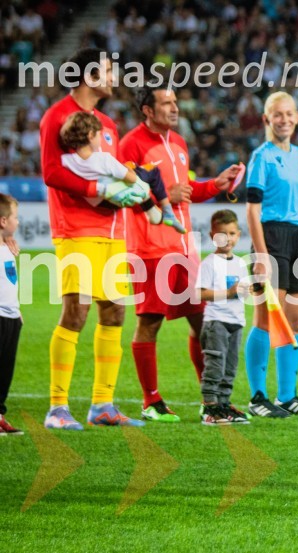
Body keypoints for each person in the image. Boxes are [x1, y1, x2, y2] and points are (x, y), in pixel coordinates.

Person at [120, 84, 241, 423]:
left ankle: (211, 400)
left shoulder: (178, 142)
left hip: (184, 249)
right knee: (149, 323)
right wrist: (163, 197)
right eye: (166, 103)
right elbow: (121, 192)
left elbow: (185, 193)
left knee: (204, 322)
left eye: (175, 102)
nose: (175, 108)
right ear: (148, 110)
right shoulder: (131, 144)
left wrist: (214, 185)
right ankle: (151, 400)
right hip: (150, 248)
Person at [40, 47, 145, 430]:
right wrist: (99, 189)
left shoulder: (108, 124)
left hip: (113, 231)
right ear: (88, 77)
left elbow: (112, 173)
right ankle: (57, 408)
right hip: (76, 229)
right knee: (76, 311)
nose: (114, 77)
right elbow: (52, 172)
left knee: (115, 311)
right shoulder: (56, 117)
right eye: (108, 71)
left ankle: (103, 404)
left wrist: (127, 191)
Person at [245, 91, 298, 418]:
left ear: (297, 118)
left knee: (296, 320)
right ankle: (257, 397)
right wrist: (262, 255)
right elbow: (252, 210)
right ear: (267, 119)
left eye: (290, 114)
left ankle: (288, 396)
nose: (285, 120)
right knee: (267, 319)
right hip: (272, 237)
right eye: (278, 114)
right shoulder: (261, 157)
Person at [58, 111, 186, 232]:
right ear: (91, 135)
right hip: (117, 196)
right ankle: (167, 212)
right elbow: (131, 178)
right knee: (151, 172)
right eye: (99, 135)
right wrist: (129, 168)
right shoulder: (104, 159)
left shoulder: (67, 161)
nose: (101, 140)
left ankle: (152, 210)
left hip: (98, 202)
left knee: (134, 178)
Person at [197, 210, 249, 425]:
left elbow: (243, 292)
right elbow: (200, 293)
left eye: (232, 233)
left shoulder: (240, 263)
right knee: (215, 366)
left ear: (239, 234)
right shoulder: (209, 263)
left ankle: (224, 405)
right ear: (212, 236)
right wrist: (228, 292)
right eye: (222, 234)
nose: (227, 238)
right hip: (216, 322)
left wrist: (251, 289)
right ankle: (209, 407)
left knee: (230, 367)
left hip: (236, 321)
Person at [0, 194, 23, 435]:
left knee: (5, 370)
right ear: (3, 221)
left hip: (11, 317)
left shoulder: (8, 246)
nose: (18, 221)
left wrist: (17, 311)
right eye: (16, 217)